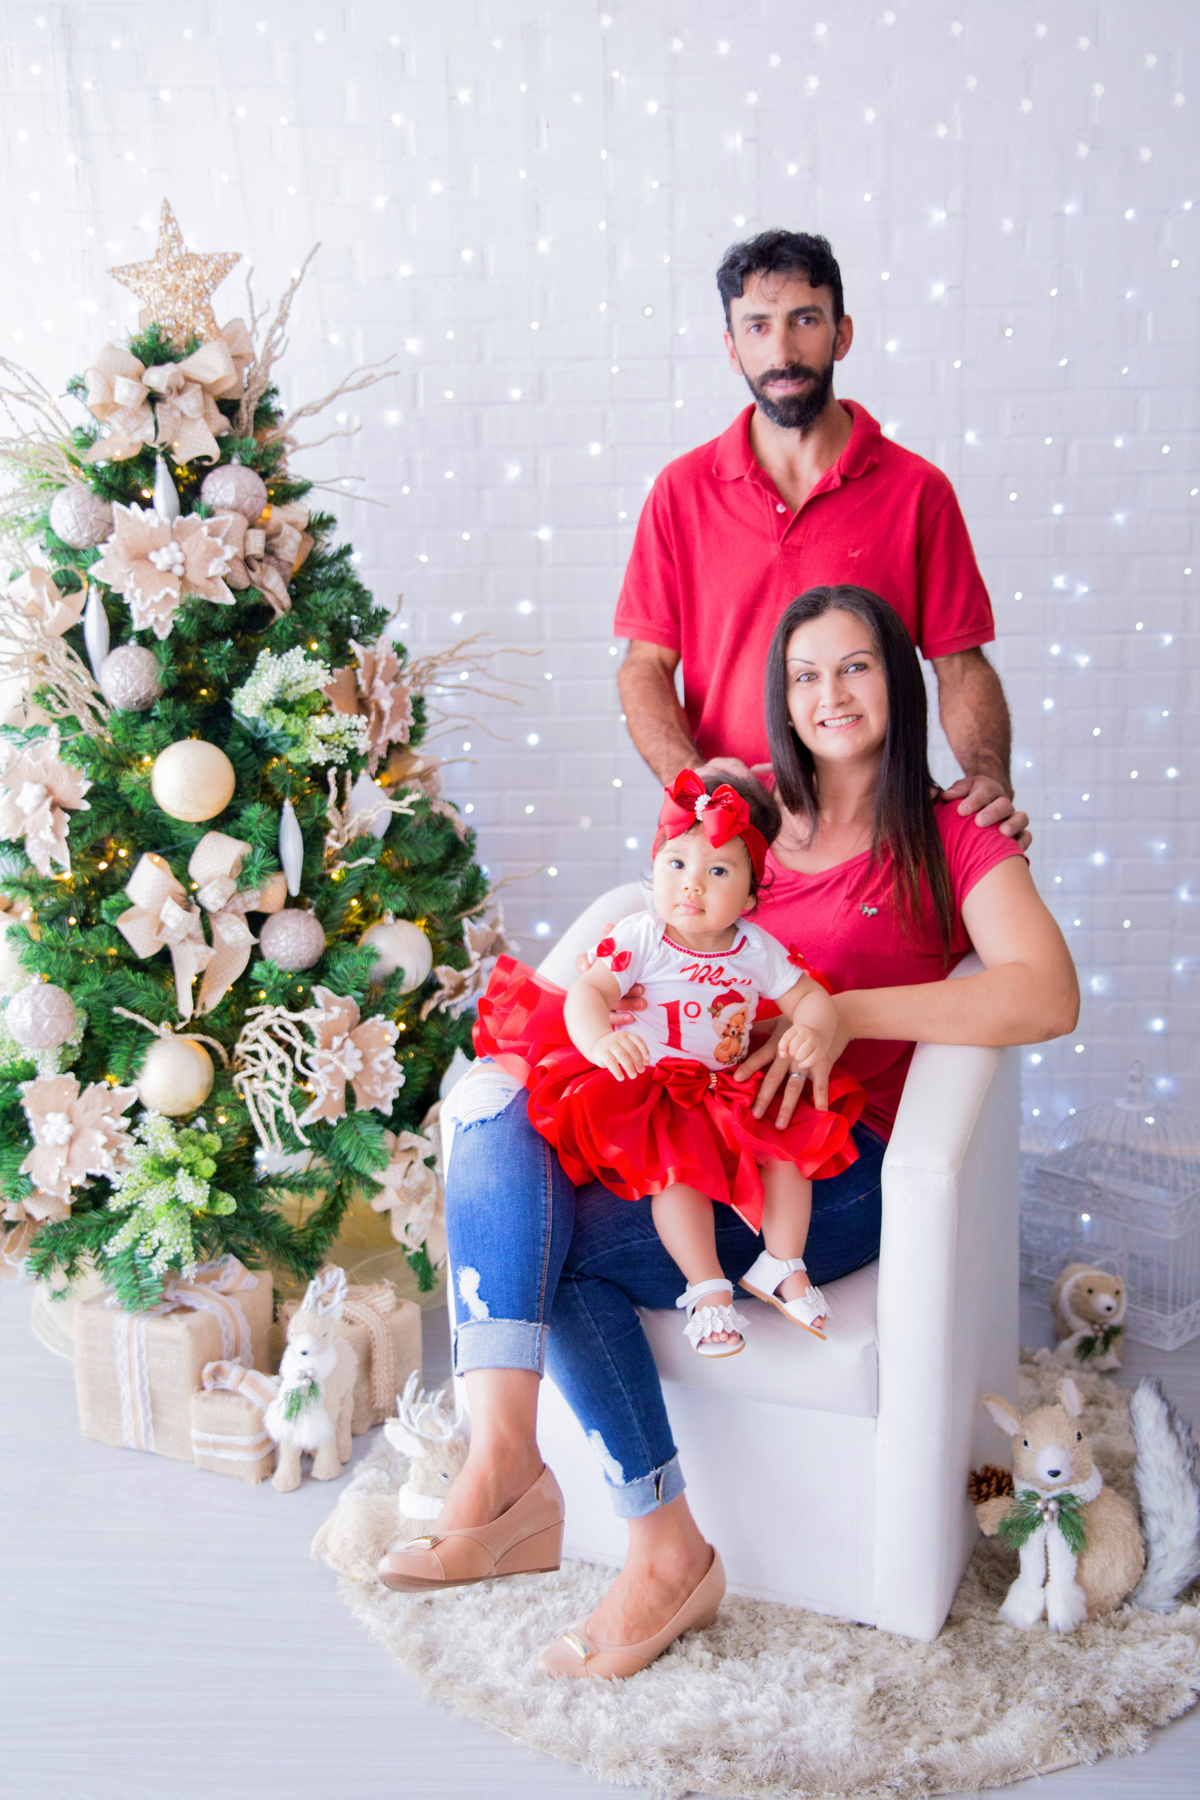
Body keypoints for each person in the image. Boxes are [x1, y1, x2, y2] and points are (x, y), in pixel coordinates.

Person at [382, 584, 1077, 1683]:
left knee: (560, 1259)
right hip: (681, 1128)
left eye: (855, 667)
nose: (829, 694)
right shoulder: (744, 824)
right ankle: (509, 1464)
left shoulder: (953, 834)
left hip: (816, 1166)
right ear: (778, 697)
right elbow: (662, 934)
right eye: (804, 674)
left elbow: (1045, 994)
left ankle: (654, 1552)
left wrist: (846, 1013)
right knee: (492, 1101)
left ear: (899, 679)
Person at [614, 228, 1031, 847]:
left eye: (803, 319)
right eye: (757, 326)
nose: (781, 349)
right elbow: (644, 667)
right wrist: (691, 776)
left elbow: (961, 667)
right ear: (731, 349)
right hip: (726, 835)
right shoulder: (681, 492)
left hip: (879, 833)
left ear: (842, 334)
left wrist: (988, 777)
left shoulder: (918, 491)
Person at [471, 769, 865, 1357]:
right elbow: (588, 992)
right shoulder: (644, 936)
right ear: (653, 869)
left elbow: (809, 996)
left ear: (753, 895)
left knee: (790, 1151)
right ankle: (708, 1291)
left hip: (727, 1085)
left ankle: (782, 1264)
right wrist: (600, 1040)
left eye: (718, 871)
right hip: (657, 1087)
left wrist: (811, 1028)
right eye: (675, 864)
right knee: (679, 1177)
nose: (692, 885)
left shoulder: (756, 949)